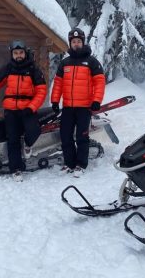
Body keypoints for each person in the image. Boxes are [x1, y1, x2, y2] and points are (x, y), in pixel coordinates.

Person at [0, 40, 47, 182]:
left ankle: (27, 144)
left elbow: (41, 91)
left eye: (21, 53)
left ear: (25, 53)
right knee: (12, 139)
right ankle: (16, 169)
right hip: (10, 110)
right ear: (12, 54)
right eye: (15, 53)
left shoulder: (34, 69)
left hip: (27, 108)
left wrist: (31, 107)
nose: (18, 55)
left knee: (34, 130)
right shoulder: (8, 68)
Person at [51, 28, 106, 177]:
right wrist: (55, 101)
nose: (76, 44)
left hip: (84, 108)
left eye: (79, 41)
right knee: (65, 136)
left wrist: (96, 100)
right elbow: (58, 84)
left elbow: (99, 82)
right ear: (70, 43)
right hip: (68, 107)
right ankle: (70, 163)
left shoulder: (91, 62)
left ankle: (81, 165)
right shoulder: (65, 63)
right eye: (73, 42)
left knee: (82, 137)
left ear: (83, 42)